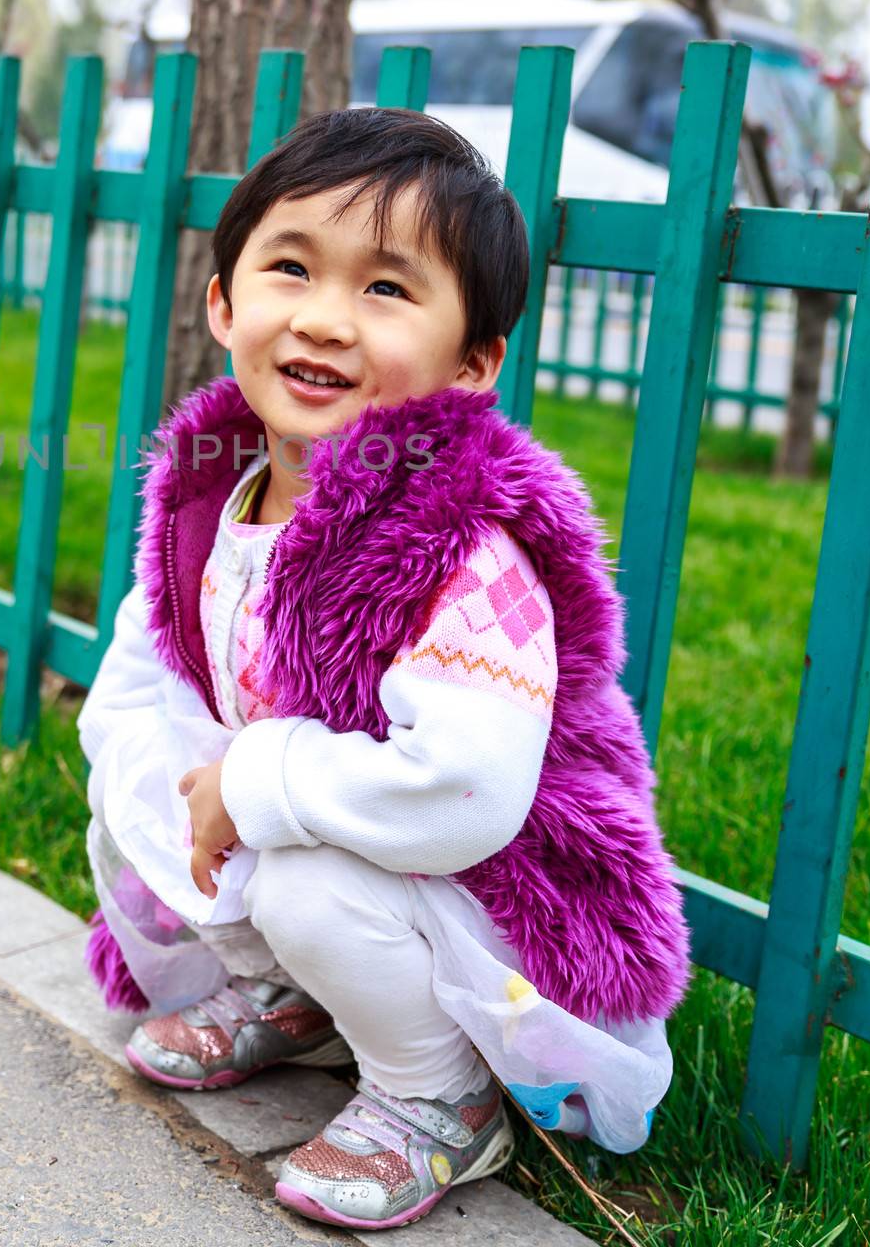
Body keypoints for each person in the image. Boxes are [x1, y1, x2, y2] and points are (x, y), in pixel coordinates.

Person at [77, 106, 690, 1232]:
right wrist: (155, 771)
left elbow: (463, 790)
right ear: (223, 302)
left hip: (486, 883)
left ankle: (437, 1096)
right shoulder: (212, 498)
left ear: (471, 364)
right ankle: (296, 996)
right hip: (327, 825)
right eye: (292, 268)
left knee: (308, 879)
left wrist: (255, 785)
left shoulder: (456, 546)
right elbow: (143, 668)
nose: (324, 319)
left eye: (386, 290)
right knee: (141, 775)